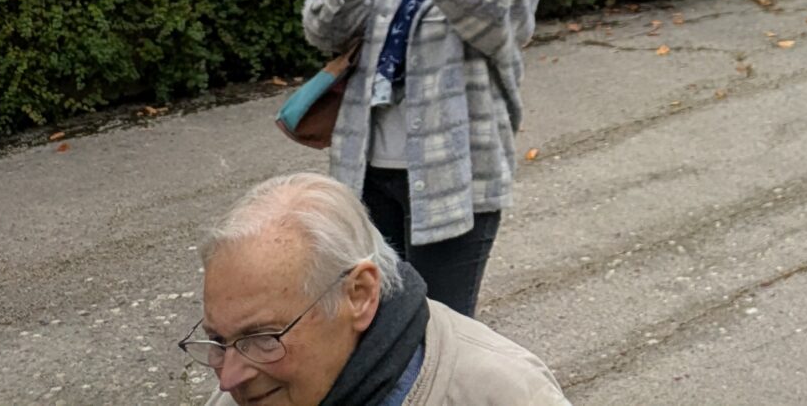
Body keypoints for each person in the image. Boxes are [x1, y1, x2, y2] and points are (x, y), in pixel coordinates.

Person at [302, 0, 548, 316]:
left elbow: (487, 12)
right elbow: (322, 33)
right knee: (374, 321)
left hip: (455, 177)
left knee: (442, 326)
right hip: (368, 169)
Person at [182, 172, 569, 405]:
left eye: (263, 338)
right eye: (217, 341)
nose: (227, 379)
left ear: (359, 294)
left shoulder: (503, 394)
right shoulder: (247, 394)